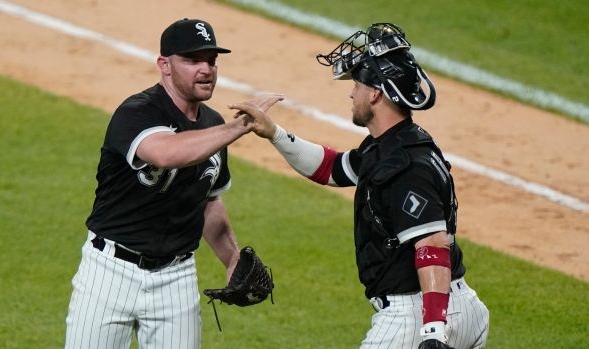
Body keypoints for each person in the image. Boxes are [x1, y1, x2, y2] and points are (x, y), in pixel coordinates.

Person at [229, 23, 489, 349]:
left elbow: (432, 245)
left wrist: (434, 331)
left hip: (418, 314)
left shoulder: (404, 166)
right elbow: (331, 168)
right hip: (456, 306)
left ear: (376, 93)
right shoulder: (393, 145)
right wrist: (275, 133)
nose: (352, 93)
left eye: (357, 84)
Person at [64, 18, 282, 349]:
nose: (206, 69)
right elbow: (167, 153)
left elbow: (208, 200)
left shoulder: (213, 125)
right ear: (165, 65)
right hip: (109, 272)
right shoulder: (137, 112)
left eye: (211, 60)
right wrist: (241, 126)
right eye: (193, 60)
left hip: (176, 279)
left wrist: (232, 257)